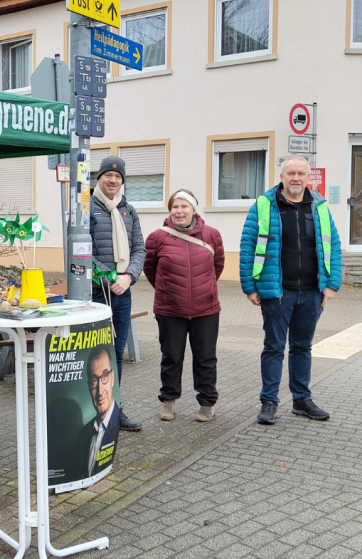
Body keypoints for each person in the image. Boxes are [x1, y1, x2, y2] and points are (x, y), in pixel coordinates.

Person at [240, 156, 341, 425]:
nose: (295, 178)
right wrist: (249, 286)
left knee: (302, 347)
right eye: (290, 173)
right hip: (277, 291)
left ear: (308, 177)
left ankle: (302, 400)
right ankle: (269, 402)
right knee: (273, 347)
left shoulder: (319, 206)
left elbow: (333, 245)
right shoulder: (264, 205)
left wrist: (332, 285)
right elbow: (248, 246)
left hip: (311, 292)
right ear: (282, 176)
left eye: (301, 173)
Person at [144, 189, 225, 423]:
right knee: (171, 357)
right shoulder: (157, 237)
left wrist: (204, 288)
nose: (179, 211)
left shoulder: (212, 235)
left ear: (193, 209)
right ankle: (168, 403)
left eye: (184, 206)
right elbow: (150, 270)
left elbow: (217, 266)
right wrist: (167, 290)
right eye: (175, 207)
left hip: (206, 309)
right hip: (170, 309)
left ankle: (207, 404)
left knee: (206, 358)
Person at [90, 155, 146, 431]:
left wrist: (129, 277)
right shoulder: (85, 208)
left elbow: (139, 248)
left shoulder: (128, 211)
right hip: (95, 293)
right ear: (99, 177)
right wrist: (110, 276)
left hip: (122, 293)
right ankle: (93, 413)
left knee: (115, 353)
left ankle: (115, 410)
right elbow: (81, 251)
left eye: (118, 177)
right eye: (108, 175)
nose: (113, 180)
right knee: (95, 353)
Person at [69, 344, 121, 479]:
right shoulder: (83, 434)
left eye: (104, 376)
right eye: (93, 381)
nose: (100, 391)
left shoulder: (118, 422)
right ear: (88, 386)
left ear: (112, 378)